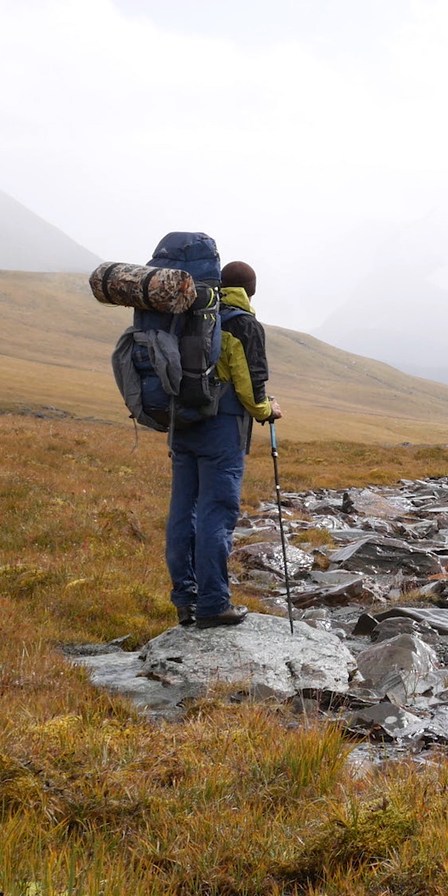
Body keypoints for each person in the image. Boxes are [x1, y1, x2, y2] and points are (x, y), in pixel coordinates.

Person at [165, 248, 280, 628]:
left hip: (182, 425)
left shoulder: (187, 316)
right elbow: (250, 386)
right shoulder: (243, 323)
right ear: (251, 290)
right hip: (221, 430)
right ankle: (214, 604)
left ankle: (185, 600)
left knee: (183, 512)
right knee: (217, 514)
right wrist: (268, 411)